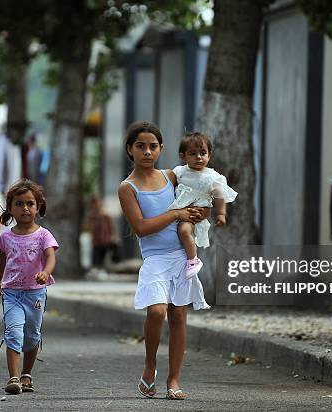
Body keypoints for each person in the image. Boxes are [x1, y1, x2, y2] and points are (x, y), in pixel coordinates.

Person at [118, 121, 210, 401]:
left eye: (153, 146)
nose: (147, 152)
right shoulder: (127, 188)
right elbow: (141, 228)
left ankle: (174, 379)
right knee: (157, 311)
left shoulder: (172, 176)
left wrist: (200, 213)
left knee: (179, 316)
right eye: (141, 146)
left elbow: (199, 198)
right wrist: (175, 215)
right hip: (155, 258)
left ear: (161, 149)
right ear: (130, 150)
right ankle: (150, 365)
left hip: (182, 255)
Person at [0, 178, 59, 395]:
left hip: (35, 294)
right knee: (13, 332)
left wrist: (45, 272)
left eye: (30, 203)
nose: (25, 208)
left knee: (32, 336)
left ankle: (26, 374)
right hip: (12, 292)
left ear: (38, 207)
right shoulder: (6, 237)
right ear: (11, 208)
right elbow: (2, 260)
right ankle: (13, 377)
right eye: (19, 204)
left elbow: (50, 257)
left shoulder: (43, 235)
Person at [168, 132, 238, 278]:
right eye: (193, 153)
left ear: (209, 155)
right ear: (183, 156)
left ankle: (193, 260)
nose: (198, 157)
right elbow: (169, 187)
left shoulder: (212, 177)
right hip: (177, 210)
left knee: (184, 231)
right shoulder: (179, 172)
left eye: (203, 153)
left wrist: (221, 214)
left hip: (195, 213)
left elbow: (219, 196)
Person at [84, 196, 117, 278]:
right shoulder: (91, 216)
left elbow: (111, 228)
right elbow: (85, 227)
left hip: (105, 240)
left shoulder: (106, 216)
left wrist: (112, 237)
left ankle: (103, 271)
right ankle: (96, 271)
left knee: (104, 257)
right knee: (96, 257)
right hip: (96, 241)